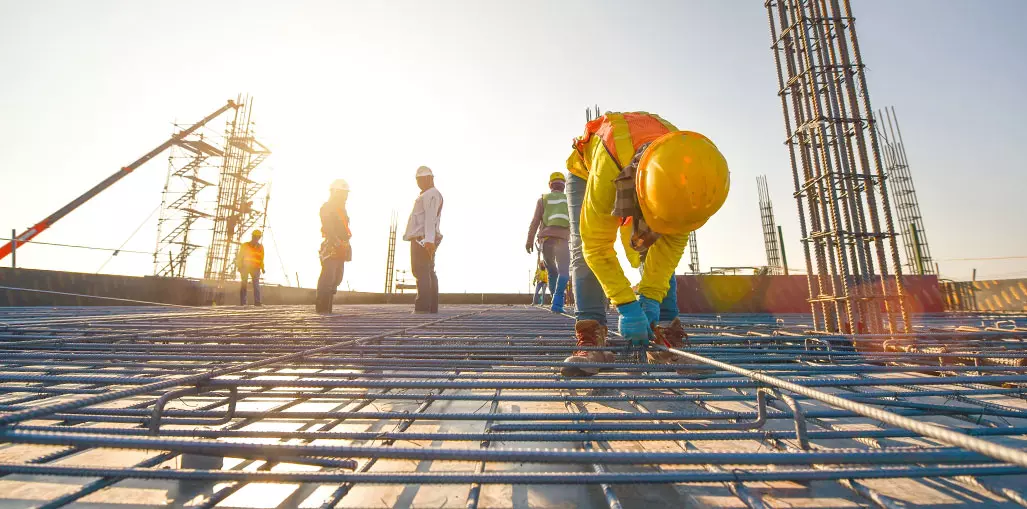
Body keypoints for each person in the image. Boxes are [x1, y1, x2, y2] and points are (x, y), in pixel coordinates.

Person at [559, 112, 730, 377]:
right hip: (590, 170)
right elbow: (596, 246)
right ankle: (592, 338)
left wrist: (650, 296)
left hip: (649, 170)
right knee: (582, 248)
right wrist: (627, 305)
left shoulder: (692, 175)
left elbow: (669, 247)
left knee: (657, 242)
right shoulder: (609, 166)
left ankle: (664, 335)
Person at [526, 172, 571, 313]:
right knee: (564, 272)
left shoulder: (543, 199)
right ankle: (557, 301)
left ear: (550, 185)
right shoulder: (569, 200)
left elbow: (535, 222)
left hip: (546, 240)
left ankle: (554, 300)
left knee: (552, 272)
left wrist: (529, 240)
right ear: (564, 186)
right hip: (563, 240)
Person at [403, 166, 443, 314]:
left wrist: (429, 240)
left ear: (429, 179)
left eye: (420, 180)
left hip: (422, 240)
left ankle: (422, 308)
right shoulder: (428, 194)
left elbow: (430, 219)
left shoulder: (431, 194)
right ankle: (431, 308)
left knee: (421, 272)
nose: (418, 183)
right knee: (428, 271)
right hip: (425, 238)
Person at [315, 179, 352, 314]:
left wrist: (344, 244)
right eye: (344, 193)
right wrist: (336, 242)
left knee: (337, 277)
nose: (346, 197)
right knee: (328, 276)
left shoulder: (342, 209)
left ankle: (327, 308)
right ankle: (323, 308)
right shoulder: (327, 207)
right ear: (336, 192)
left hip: (342, 245)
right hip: (332, 245)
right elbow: (328, 227)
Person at [236, 230, 265, 306]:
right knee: (244, 284)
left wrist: (262, 268)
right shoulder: (245, 245)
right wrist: (239, 266)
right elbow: (240, 256)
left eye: (257, 237)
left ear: (259, 237)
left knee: (256, 285)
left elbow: (261, 258)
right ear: (252, 236)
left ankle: (257, 302)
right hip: (245, 267)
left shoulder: (261, 247)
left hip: (256, 268)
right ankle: (243, 302)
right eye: (254, 236)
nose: (255, 238)